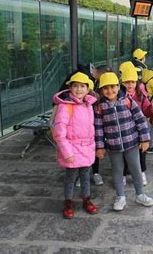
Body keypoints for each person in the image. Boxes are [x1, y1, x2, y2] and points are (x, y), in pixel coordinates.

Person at [94, 72, 153, 211]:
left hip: (132, 143)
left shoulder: (128, 101)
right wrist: (100, 147)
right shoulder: (99, 107)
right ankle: (120, 196)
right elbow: (98, 128)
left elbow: (140, 120)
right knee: (117, 170)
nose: (110, 91)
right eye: (105, 88)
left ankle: (140, 194)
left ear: (118, 86)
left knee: (136, 169)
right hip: (113, 146)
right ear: (101, 90)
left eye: (113, 87)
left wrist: (145, 139)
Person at [52, 72, 98, 219]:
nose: (79, 89)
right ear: (70, 87)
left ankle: (86, 199)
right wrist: (67, 153)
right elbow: (59, 132)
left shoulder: (88, 104)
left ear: (88, 88)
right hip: (72, 149)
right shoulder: (65, 106)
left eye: (82, 86)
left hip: (87, 148)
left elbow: (90, 128)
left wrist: (93, 147)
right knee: (70, 178)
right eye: (75, 86)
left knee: (85, 176)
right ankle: (68, 202)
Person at [120, 66, 153, 186]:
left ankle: (141, 172)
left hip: (138, 129)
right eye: (127, 82)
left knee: (141, 151)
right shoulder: (118, 95)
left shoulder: (141, 95)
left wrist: (151, 107)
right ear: (122, 82)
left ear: (136, 82)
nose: (130, 85)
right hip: (123, 129)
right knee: (123, 153)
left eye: (132, 82)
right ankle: (123, 174)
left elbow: (146, 112)